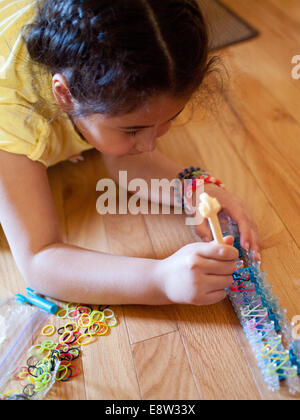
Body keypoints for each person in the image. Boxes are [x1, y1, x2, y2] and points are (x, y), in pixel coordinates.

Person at [0, 0, 260, 306]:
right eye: (133, 130)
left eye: (170, 118)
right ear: (65, 95)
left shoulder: (98, 56)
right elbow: (40, 261)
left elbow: (126, 160)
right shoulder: (10, 116)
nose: (150, 146)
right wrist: (159, 279)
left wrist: (192, 187)